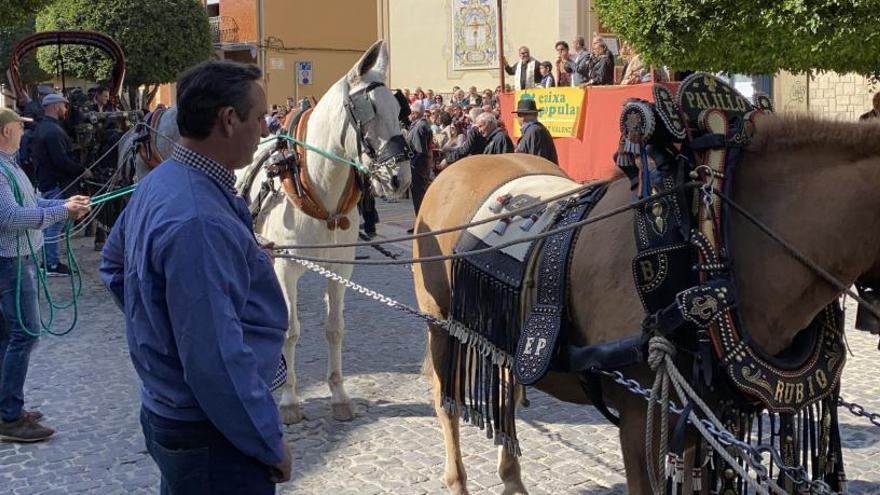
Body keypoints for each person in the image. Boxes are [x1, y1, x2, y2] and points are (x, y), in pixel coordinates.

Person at [99, 60, 292, 494]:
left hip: (176, 413)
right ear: (228, 120)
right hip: (210, 432)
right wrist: (268, 439)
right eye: (259, 118)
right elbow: (215, 361)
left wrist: (161, 328)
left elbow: (114, 266)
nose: (264, 131)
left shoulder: (162, 179)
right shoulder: (200, 220)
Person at [0, 108, 90, 442]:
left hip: (15, 257)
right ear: (6, 132)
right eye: (18, 128)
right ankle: (9, 417)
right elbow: (9, 217)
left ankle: (6, 406)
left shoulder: (9, 167)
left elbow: (30, 201)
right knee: (25, 334)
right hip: (11, 260)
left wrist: (64, 204)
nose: (24, 133)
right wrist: (59, 212)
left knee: (8, 334)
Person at [31, 93, 89, 276]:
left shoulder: (45, 128)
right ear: (56, 107)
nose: (66, 110)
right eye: (64, 106)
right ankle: (51, 264)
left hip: (49, 181)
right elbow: (60, 160)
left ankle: (50, 262)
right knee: (55, 224)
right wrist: (81, 170)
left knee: (54, 223)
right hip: (56, 183)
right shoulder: (52, 131)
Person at [405, 102, 433, 217]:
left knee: (418, 196)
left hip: (417, 167)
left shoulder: (419, 127)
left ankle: (421, 221)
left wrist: (413, 166)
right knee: (419, 196)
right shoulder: (421, 124)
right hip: (421, 165)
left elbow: (419, 150)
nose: (410, 116)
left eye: (411, 113)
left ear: (415, 113)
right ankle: (419, 221)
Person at [513, 99, 558, 165]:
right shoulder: (535, 129)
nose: (517, 119)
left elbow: (535, 161)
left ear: (522, 116)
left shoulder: (533, 131)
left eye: (517, 116)